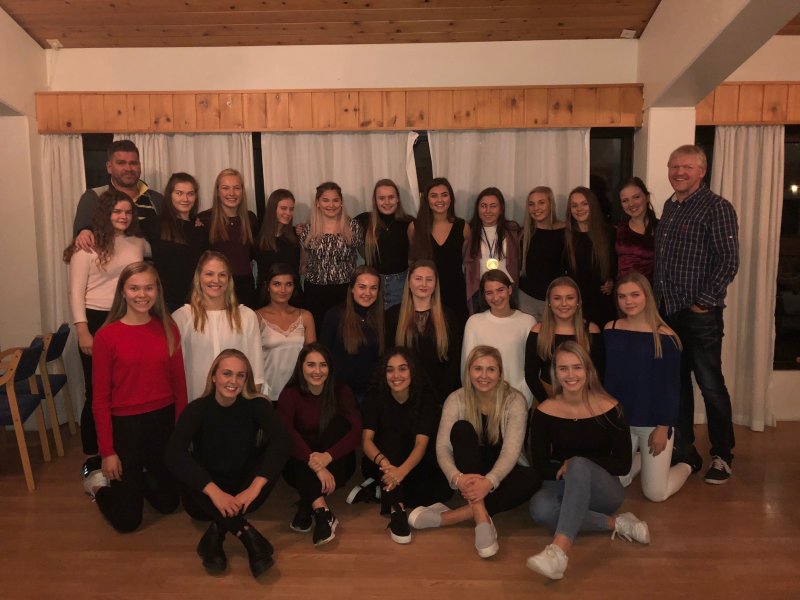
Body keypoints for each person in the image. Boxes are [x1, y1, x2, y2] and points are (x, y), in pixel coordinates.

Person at [654, 144, 739, 484]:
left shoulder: (717, 207)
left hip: (699, 316)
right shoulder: (669, 206)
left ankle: (723, 454)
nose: (679, 173)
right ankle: (685, 449)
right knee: (677, 386)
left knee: (710, 385)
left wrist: (701, 302)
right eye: (674, 166)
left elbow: (728, 260)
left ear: (701, 171)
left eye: (686, 167)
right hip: (667, 313)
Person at [164, 349, 291, 578]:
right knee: (183, 461)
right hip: (205, 497)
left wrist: (255, 487)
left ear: (246, 379)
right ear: (214, 376)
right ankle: (248, 535)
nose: (233, 381)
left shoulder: (257, 405)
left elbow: (283, 442)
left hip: (243, 493)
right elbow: (173, 454)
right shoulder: (197, 409)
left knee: (272, 453)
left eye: (240, 375)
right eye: (227, 373)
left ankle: (216, 534)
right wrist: (215, 493)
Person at [527, 341, 646, 581]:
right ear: (555, 373)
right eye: (563, 369)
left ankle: (559, 551)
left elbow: (623, 464)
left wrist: (578, 464)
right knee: (540, 509)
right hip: (560, 483)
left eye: (577, 367)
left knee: (579, 464)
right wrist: (568, 473)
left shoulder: (611, 408)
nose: (570, 375)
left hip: (603, 490)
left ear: (588, 370)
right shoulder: (545, 411)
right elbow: (539, 464)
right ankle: (616, 524)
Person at [81, 262, 187, 533]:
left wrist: (180, 434)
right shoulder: (106, 336)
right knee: (128, 522)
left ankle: (137, 479)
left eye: (148, 288)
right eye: (134, 288)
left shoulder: (168, 328)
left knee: (168, 503)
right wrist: (107, 452)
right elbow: (99, 400)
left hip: (162, 421)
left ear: (157, 291)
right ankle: (97, 484)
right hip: (126, 426)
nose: (142, 294)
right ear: (123, 292)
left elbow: (180, 387)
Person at [409, 346, 538, 559]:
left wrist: (489, 482)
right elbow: (442, 447)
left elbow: (511, 452)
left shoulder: (515, 401)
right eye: (478, 369)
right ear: (468, 371)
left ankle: (449, 517)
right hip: (469, 466)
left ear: (500, 373)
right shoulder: (456, 399)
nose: (483, 376)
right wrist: (457, 478)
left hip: (501, 470)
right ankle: (480, 516)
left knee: (533, 478)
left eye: (491, 369)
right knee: (461, 429)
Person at [65, 188, 145, 464]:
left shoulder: (137, 243)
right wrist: (82, 330)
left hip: (128, 318)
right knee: (97, 389)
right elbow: (76, 293)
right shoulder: (86, 246)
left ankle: (120, 444)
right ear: (105, 214)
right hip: (96, 320)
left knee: (125, 386)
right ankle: (92, 453)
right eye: (117, 211)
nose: (123, 216)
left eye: (128, 212)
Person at [349, 349, 453, 544]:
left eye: (402, 369)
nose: (396, 375)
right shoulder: (375, 398)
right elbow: (367, 442)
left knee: (444, 492)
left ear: (412, 371)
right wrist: (387, 465)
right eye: (390, 370)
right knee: (392, 437)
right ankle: (397, 509)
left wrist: (400, 473)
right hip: (382, 461)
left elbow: (421, 445)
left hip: (413, 463)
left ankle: (379, 489)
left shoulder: (425, 399)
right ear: (384, 373)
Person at [604, 273, 691, 502]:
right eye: (622, 296)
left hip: (653, 422)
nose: (628, 301)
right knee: (616, 482)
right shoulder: (611, 329)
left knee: (655, 494)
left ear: (647, 296)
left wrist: (663, 426)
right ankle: (642, 459)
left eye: (635, 295)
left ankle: (687, 463)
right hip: (621, 421)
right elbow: (608, 379)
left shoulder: (666, 336)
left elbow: (671, 388)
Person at [277, 343, 362, 547]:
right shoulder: (289, 394)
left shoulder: (341, 391)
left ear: (330, 368)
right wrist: (316, 465)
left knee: (338, 425)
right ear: (301, 367)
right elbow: (286, 434)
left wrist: (327, 457)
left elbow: (357, 431)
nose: (317, 371)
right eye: (311, 365)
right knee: (296, 440)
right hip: (299, 467)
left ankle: (306, 506)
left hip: (337, 466)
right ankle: (322, 511)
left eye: (323, 365)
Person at [172, 251, 263, 402]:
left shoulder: (246, 316)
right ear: (199, 277)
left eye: (222, 275)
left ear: (229, 279)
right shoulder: (182, 317)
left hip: (238, 404)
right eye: (209, 274)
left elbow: (256, 370)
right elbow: (175, 371)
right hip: (195, 402)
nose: (216, 280)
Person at [384, 260, 461, 405]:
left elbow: (453, 363)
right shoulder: (392, 316)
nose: (424, 284)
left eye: (429, 279)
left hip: (438, 398)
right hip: (402, 397)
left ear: (436, 284)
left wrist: (444, 398)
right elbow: (387, 359)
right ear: (409, 282)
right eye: (418, 279)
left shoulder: (448, 316)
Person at [524, 277, 603, 404]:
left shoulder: (591, 330)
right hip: (547, 396)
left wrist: (585, 401)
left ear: (578, 301)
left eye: (570, 298)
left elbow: (598, 374)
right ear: (549, 302)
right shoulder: (538, 331)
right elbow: (530, 375)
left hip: (584, 398)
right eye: (557, 298)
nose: (564, 303)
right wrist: (548, 403)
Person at [462, 270, 535, 406]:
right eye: (489, 293)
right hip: (482, 401)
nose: (496, 297)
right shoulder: (474, 322)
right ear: (484, 296)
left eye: (500, 290)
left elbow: (532, 367)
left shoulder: (527, 322)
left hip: (517, 400)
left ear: (509, 290)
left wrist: (524, 397)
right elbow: (466, 366)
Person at [139, 172, 209, 312]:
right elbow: (121, 228)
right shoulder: (154, 224)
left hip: (195, 302)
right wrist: (91, 231)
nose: (185, 199)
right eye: (179, 193)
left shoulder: (201, 229)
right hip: (163, 303)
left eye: (190, 194)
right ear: (169, 195)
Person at [299, 182, 364, 331]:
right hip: (315, 292)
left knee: (344, 333)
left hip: (345, 290)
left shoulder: (353, 227)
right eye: (325, 200)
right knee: (319, 332)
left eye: (335, 200)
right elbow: (303, 262)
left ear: (341, 202)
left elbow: (365, 255)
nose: (331, 205)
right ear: (317, 203)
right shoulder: (308, 229)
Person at [72, 139, 164, 241]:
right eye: (121, 163)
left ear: (139, 166)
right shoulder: (94, 197)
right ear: (109, 167)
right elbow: (81, 242)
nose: (128, 168)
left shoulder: (156, 199)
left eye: (133, 163)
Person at [409, 178, 471, 327]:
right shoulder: (415, 227)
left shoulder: (463, 227)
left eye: (444, 195)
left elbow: (464, 258)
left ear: (451, 198)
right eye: (434, 195)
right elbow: (413, 260)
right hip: (425, 293)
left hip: (455, 292)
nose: (440, 200)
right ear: (426, 200)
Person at [319, 265, 384, 404]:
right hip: (339, 395)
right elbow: (323, 355)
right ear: (352, 289)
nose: (368, 293)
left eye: (373, 288)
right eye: (362, 287)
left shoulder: (380, 319)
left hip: (370, 395)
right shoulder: (335, 316)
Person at [198, 168, 259, 309]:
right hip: (216, 287)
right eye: (226, 188)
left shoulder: (250, 219)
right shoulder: (204, 220)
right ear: (218, 192)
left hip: (245, 287)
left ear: (242, 192)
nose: (232, 193)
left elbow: (256, 251)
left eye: (236, 188)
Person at [255, 263, 316, 401]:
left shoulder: (306, 316)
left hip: (300, 393)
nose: (283, 290)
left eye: (288, 284)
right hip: (267, 394)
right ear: (267, 286)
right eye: (277, 284)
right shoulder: (256, 317)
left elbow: (312, 358)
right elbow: (251, 360)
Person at [355, 179, 414, 309]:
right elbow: (339, 226)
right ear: (375, 201)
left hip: (401, 283)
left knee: (397, 319)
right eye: (381, 198)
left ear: (398, 199)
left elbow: (416, 254)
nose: (387, 202)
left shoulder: (409, 222)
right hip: (371, 283)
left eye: (391, 197)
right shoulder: (364, 220)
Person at [563, 186, 616, 327]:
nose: (579, 209)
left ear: (593, 205)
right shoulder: (564, 236)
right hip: (575, 303)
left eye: (584, 204)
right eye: (574, 205)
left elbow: (616, 265)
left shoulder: (609, 233)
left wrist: (612, 281)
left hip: (603, 302)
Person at [464, 187, 521, 314]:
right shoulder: (469, 232)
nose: (488, 210)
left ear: (501, 208)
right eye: (483, 206)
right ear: (477, 209)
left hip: (507, 290)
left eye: (493, 206)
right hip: (479, 292)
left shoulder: (513, 231)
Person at [518, 186, 566, 320]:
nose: (536, 208)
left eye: (541, 202)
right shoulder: (523, 234)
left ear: (551, 204)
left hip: (556, 298)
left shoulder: (565, 231)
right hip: (526, 298)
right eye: (531, 204)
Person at [253, 188, 301, 307]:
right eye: (283, 208)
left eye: (291, 209)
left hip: (292, 297)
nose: (288, 213)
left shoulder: (296, 235)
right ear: (272, 209)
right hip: (266, 298)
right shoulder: (258, 238)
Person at [616, 177, 657, 282]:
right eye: (625, 200)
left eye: (636, 197)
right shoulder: (617, 230)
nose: (631, 204)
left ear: (647, 197)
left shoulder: (661, 228)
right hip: (622, 289)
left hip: (650, 290)